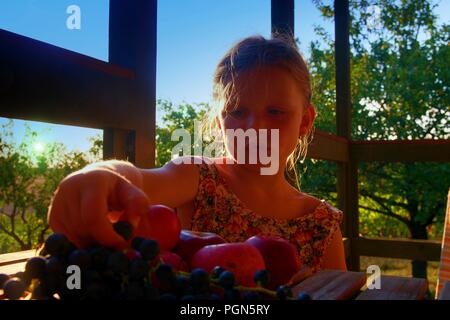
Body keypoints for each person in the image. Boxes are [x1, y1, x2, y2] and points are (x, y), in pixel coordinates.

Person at [47, 35, 347, 273]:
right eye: (237, 111)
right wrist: (101, 177)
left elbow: (341, 290)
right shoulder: (199, 180)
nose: (255, 127)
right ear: (220, 124)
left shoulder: (321, 223)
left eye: (276, 112)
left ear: (304, 122)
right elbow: (141, 181)